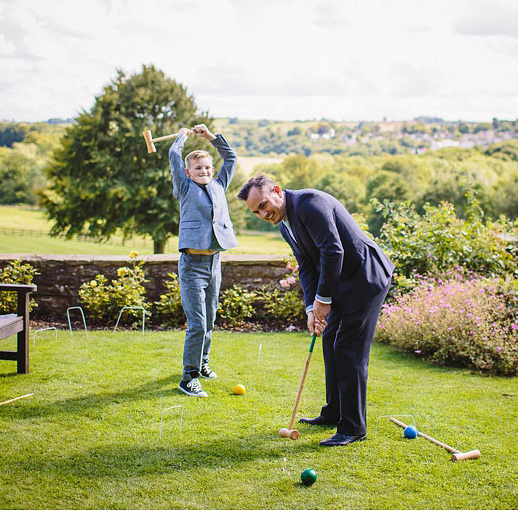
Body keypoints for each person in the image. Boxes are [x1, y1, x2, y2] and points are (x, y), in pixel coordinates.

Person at [237, 175, 394, 445]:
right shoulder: (285, 225)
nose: (263, 213)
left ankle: (353, 427)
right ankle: (334, 412)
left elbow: (333, 252)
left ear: (276, 191)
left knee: (348, 347)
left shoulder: (310, 204)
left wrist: (324, 299)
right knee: (330, 341)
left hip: (365, 277)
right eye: (257, 211)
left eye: (264, 205)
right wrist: (312, 307)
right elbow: (307, 266)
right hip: (343, 281)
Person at [169, 124, 237, 397]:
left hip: (214, 263)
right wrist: (182, 137)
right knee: (197, 323)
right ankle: (188, 378)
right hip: (192, 266)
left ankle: (203, 362)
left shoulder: (219, 185)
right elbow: (175, 156)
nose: (205, 171)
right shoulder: (184, 187)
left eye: (208, 167)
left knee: (209, 321)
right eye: (199, 169)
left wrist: (210, 137)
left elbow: (230, 157)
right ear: (188, 173)